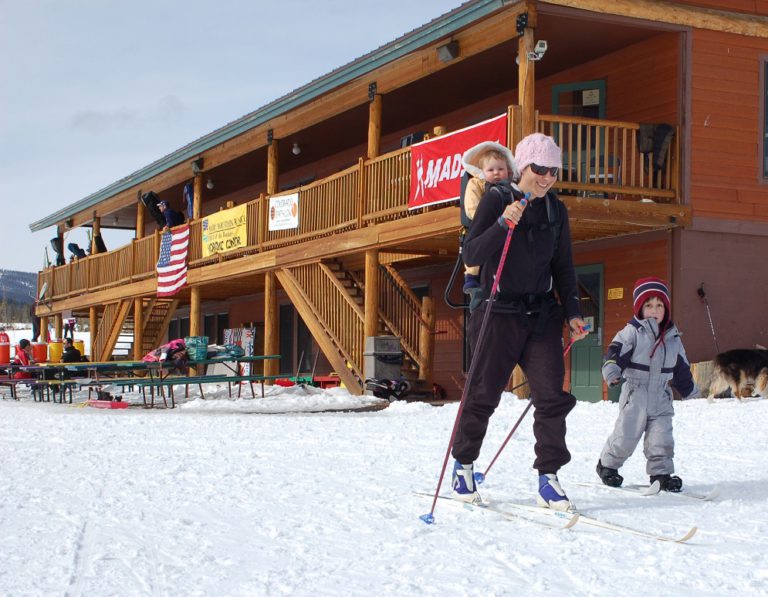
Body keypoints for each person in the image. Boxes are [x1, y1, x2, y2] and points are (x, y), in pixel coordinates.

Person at [451, 132, 588, 511]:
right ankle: (463, 465)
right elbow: (473, 252)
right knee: (483, 394)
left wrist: (574, 312)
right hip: (497, 313)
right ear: (522, 168)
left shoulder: (555, 210)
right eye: (539, 169)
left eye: (553, 171)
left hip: (541, 315)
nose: (546, 177)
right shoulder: (497, 197)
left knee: (551, 397)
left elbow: (564, 266)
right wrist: (501, 224)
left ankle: (549, 477)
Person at [596, 277, 698, 492]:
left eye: (659, 305)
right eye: (649, 305)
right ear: (639, 308)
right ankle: (607, 466)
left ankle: (661, 474)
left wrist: (689, 388)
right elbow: (614, 354)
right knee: (626, 435)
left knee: (661, 438)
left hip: (661, 395)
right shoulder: (632, 332)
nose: (654, 310)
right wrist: (612, 372)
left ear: (666, 309)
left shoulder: (673, 337)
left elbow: (681, 365)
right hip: (636, 394)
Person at [460, 142, 519, 293]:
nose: (496, 173)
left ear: (508, 170)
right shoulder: (477, 184)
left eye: (501, 169)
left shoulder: (512, 188)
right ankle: (472, 277)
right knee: (476, 242)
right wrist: (484, 216)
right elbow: (471, 205)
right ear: (482, 171)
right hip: (482, 223)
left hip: (504, 226)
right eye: (491, 170)